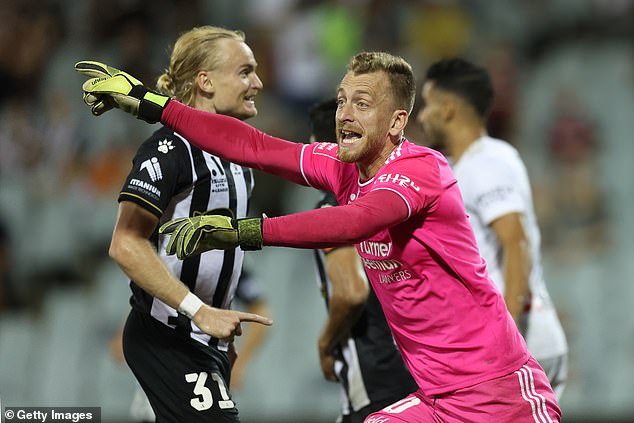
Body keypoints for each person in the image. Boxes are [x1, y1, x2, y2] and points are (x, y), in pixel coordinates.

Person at [77, 51, 561, 422]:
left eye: (363, 104)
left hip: (499, 392)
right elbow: (255, 146)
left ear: (396, 122)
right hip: (434, 399)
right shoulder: (343, 168)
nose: (345, 113)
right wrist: (152, 104)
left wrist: (243, 231)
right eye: (344, 100)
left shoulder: (422, 170)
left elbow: (352, 223)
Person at [77, 26, 272, 423]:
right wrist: (200, 311)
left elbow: (217, 260)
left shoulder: (239, 157)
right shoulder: (168, 148)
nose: (258, 82)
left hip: (207, 342)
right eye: (245, 71)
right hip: (168, 337)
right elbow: (125, 244)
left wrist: (218, 321)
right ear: (206, 82)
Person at [416, 57, 568, 398]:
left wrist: (506, 337)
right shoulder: (469, 164)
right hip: (516, 339)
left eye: (427, 104)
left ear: (449, 108)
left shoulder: (486, 162)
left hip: (514, 341)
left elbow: (516, 243)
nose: (422, 116)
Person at [309, 99, 417, 423]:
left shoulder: (332, 208)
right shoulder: (393, 195)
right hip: (417, 366)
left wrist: (326, 342)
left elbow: (351, 291)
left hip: (375, 375)